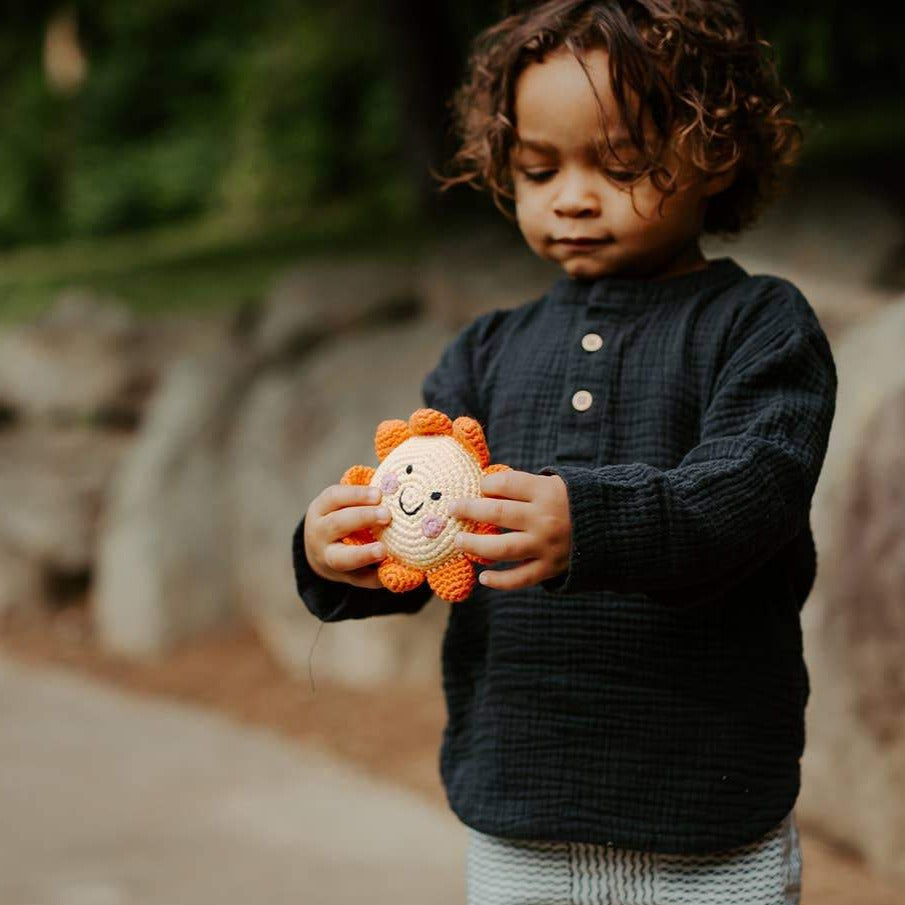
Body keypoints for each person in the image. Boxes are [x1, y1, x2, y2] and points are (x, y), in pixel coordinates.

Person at [292, 1, 837, 902]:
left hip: (707, 813)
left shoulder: (758, 326)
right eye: (539, 169)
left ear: (714, 150)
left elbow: (752, 492)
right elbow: (430, 537)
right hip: (520, 804)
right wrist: (346, 549)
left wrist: (588, 521)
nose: (572, 197)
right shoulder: (483, 353)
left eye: (620, 165)